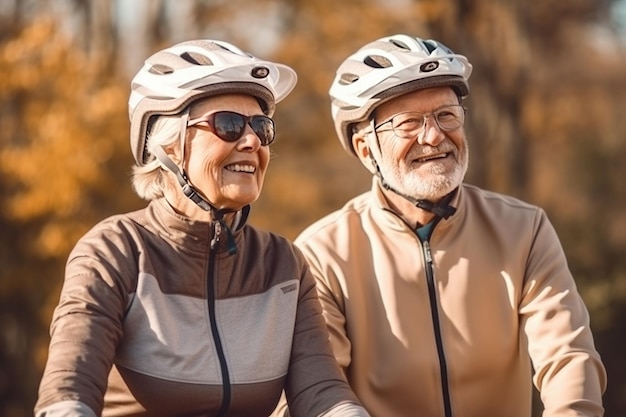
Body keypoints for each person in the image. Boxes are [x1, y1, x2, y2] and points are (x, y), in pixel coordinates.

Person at [34, 39, 371, 417]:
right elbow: (69, 388)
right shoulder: (115, 251)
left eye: (261, 126)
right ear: (168, 146)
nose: (252, 141)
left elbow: (321, 392)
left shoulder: (283, 262)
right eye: (228, 125)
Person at [288, 34, 607, 416]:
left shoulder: (523, 229)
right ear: (365, 148)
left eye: (447, 115)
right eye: (408, 123)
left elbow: (567, 357)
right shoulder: (323, 253)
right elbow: (320, 388)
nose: (435, 135)